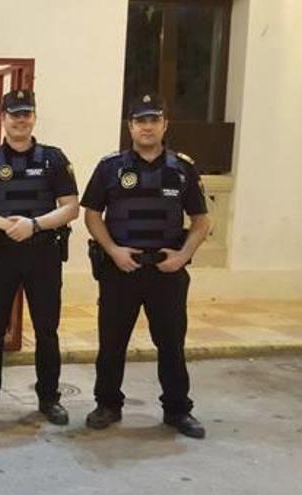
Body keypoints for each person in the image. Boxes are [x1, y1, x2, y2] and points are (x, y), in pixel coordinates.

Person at [81, 93, 211, 439]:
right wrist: (113, 251)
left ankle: (177, 409)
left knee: (171, 344)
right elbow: (91, 214)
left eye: (154, 120)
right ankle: (107, 404)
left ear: (164, 125)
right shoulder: (110, 168)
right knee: (112, 343)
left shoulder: (182, 168)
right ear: (131, 127)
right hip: (121, 270)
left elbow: (201, 220)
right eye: (141, 121)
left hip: (166, 273)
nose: (147, 127)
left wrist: (182, 257)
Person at [0, 89, 79, 424]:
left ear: (34, 118)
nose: (21, 120)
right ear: (2, 119)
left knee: (46, 330)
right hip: (0, 255)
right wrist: (6, 225)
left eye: (26, 113)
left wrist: (35, 225)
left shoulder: (53, 159)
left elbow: (71, 208)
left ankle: (48, 399)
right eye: (14, 114)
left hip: (42, 256)